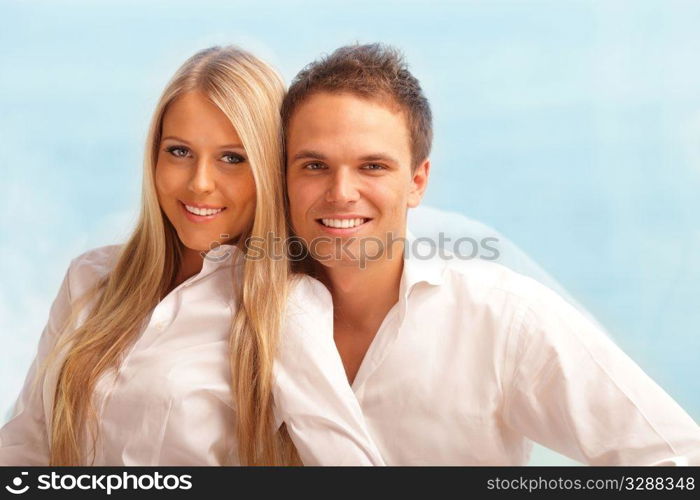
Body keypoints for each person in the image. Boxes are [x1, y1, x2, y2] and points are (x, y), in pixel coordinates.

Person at [282, 43, 700, 465]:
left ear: (417, 182)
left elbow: (679, 462)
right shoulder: (241, 317)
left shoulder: (503, 318)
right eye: (314, 166)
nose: (341, 193)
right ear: (282, 175)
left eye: (373, 166)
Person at [0, 46, 383, 466]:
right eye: (179, 151)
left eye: (232, 158)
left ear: (269, 171)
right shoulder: (89, 278)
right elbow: (26, 441)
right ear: (154, 155)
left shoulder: (287, 308)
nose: (200, 183)